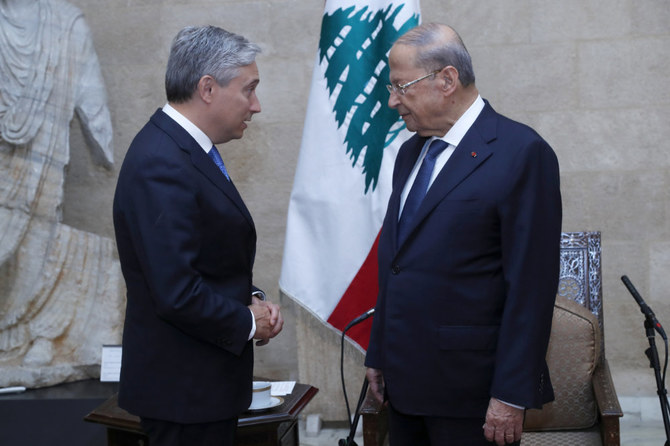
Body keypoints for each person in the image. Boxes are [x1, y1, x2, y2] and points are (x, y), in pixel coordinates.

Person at [364, 23, 562, 446]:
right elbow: (397, 263)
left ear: (447, 80)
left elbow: (531, 287)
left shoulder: (521, 153)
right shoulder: (410, 151)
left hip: (471, 393)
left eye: (401, 86)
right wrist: (379, 353)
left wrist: (510, 394)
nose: (392, 100)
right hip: (403, 384)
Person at [113, 25, 283, 446]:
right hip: (183, 393)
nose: (256, 105)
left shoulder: (188, 149)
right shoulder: (162, 162)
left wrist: (252, 297)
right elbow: (176, 291)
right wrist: (247, 322)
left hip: (200, 387)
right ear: (208, 88)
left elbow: (207, 256)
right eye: (249, 89)